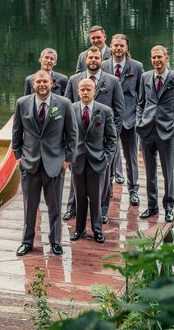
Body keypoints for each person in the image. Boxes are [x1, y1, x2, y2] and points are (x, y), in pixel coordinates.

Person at [12, 70, 78, 256]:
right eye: (38, 81)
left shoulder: (64, 104)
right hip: (30, 164)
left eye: (45, 81)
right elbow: (16, 133)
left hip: (55, 164)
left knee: (54, 206)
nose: (42, 84)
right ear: (33, 84)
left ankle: (55, 241)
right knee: (29, 206)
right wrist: (19, 157)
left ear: (52, 83)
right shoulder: (22, 103)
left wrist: (67, 160)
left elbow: (72, 135)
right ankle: (27, 242)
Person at [64, 46, 124, 224]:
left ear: (102, 60)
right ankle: (72, 209)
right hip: (79, 143)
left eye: (96, 57)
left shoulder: (112, 81)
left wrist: (110, 144)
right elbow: (67, 108)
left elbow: (119, 111)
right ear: (85, 59)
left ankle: (102, 211)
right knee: (76, 181)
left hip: (101, 140)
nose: (93, 60)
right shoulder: (74, 80)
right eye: (90, 57)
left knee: (104, 180)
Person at [136, 45, 174, 223]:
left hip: (166, 132)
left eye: (159, 57)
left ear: (166, 58)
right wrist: (138, 123)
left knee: (167, 172)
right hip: (146, 130)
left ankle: (169, 208)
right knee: (150, 172)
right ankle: (151, 207)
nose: (156, 60)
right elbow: (140, 103)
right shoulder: (145, 77)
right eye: (153, 57)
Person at [70, 78, 117, 244]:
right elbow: (66, 136)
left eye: (88, 89)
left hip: (98, 161)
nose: (85, 92)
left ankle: (97, 230)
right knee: (80, 197)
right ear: (78, 91)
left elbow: (112, 139)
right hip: (77, 161)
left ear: (94, 91)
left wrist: (107, 160)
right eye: (82, 89)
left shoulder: (105, 111)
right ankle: (79, 229)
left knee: (96, 199)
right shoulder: (71, 109)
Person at [101, 34, 144, 207]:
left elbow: (142, 96)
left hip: (129, 119)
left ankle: (133, 190)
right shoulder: (103, 66)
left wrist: (139, 119)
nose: (118, 48)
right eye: (115, 45)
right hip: (108, 120)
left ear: (126, 48)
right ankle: (108, 189)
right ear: (110, 46)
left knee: (131, 157)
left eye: (122, 46)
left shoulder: (137, 67)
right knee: (108, 156)